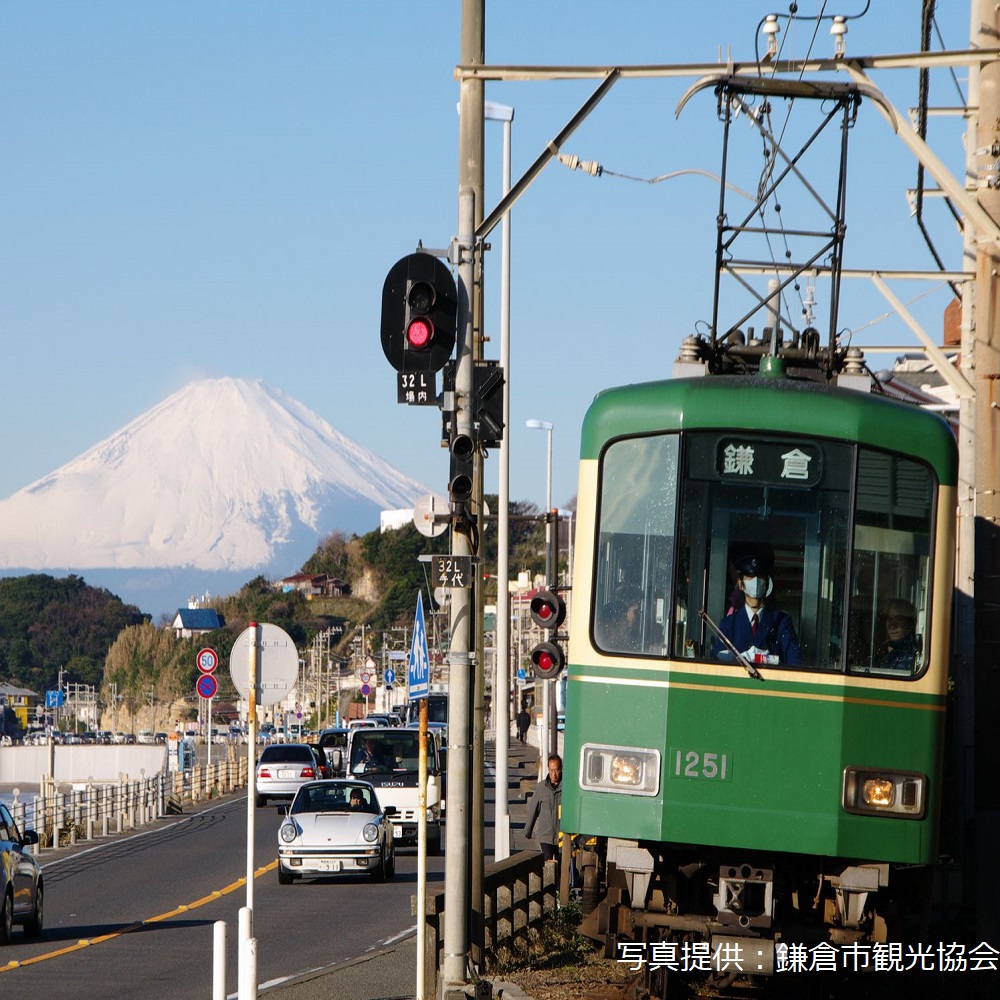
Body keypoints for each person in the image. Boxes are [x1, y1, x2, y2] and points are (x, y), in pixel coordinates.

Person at [714, 553, 801, 666]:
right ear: (740, 584)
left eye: (760, 577)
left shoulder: (782, 621)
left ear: (767, 583)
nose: (755, 581)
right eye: (750, 577)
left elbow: (794, 662)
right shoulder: (728, 624)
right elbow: (718, 662)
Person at [525, 753, 562, 862]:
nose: (554, 774)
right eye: (551, 770)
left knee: (562, 867)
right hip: (545, 835)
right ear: (548, 769)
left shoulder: (566, 787)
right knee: (547, 865)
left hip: (562, 836)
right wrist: (528, 830)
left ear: (560, 769)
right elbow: (533, 810)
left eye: (556, 770)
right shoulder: (541, 787)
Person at [877, 599, 919, 672]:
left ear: (909, 624)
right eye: (889, 619)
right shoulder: (891, 654)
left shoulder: (913, 657)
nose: (892, 626)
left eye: (898, 619)